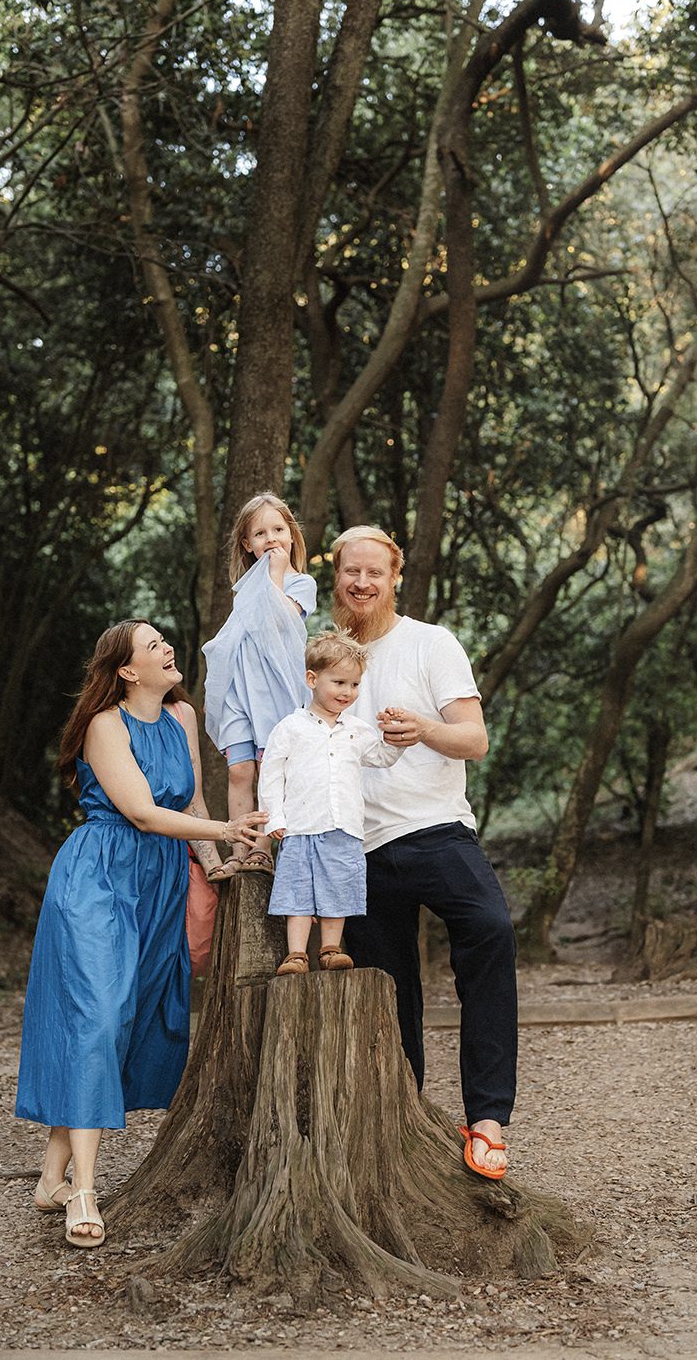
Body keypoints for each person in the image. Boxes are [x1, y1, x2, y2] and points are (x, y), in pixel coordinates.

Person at [15, 620, 266, 1248]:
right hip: (100, 876)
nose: (168, 650)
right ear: (127, 670)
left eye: (165, 643)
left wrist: (217, 865)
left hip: (160, 885)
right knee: (97, 1016)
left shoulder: (181, 718)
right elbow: (141, 811)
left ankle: (51, 1177)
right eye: (154, 646)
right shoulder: (105, 725)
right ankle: (84, 1191)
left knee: (122, 1015)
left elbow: (195, 806)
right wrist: (230, 835)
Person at [332, 526, 516, 1181]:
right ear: (336, 574)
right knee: (387, 989)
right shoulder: (320, 653)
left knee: (490, 930)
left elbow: (475, 739)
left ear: (395, 574)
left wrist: (426, 730)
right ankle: (404, 1116)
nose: (362, 583)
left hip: (436, 829)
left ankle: (488, 1120)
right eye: (351, 571)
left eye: (374, 572)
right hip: (356, 845)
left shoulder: (430, 642)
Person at [258, 630, 403, 977]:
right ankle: (296, 954)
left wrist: (396, 737)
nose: (347, 692)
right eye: (339, 682)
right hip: (300, 827)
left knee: (338, 889)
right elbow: (272, 774)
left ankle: (330, 948)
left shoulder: (357, 729)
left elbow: (381, 757)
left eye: (354, 685)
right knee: (298, 891)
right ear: (312, 679)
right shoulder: (290, 728)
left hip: (344, 827)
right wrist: (274, 816)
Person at [202, 494, 317, 876]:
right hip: (238, 692)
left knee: (269, 770)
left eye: (279, 530)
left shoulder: (301, 583)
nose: (271, 539)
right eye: (260, 533)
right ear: (246, 544)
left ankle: (262, 848)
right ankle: (240, 845)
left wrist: (276, 575)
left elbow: (282, 619)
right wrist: (215, 693)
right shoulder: (243, 592)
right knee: (239, 772)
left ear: (292, 536)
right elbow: (228, 645)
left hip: (275, 692)